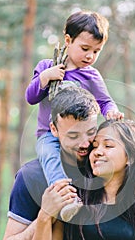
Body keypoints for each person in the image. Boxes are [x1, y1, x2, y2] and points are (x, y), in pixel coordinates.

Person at [1, 86, 101, 240]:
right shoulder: (32, 177)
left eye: (90, 132)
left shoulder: (107, 169)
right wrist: (46, 213)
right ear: (53, 130)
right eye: (73, 136)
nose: (85, 143)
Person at [25, 10, 123, 188]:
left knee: (112, 152)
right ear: (68, 40)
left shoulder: (91, 75)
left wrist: (112, 112)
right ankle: (62, 191)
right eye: (85, 49)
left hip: (83, 137)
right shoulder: (48, 66)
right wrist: (45, 78)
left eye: (96, 51)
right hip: (49, 135)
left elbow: (105, 101)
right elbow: (31, 98)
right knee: (50, 156)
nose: (90, 56)